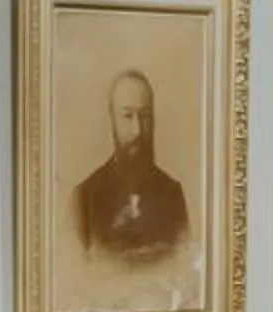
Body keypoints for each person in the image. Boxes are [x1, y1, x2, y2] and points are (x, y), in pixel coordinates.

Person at [72, 69, 189, 262]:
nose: (137, 131)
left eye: (145, 116)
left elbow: (186, 271)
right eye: (127, 116)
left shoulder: (172, 194)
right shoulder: (84, 198)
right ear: (112, 120)